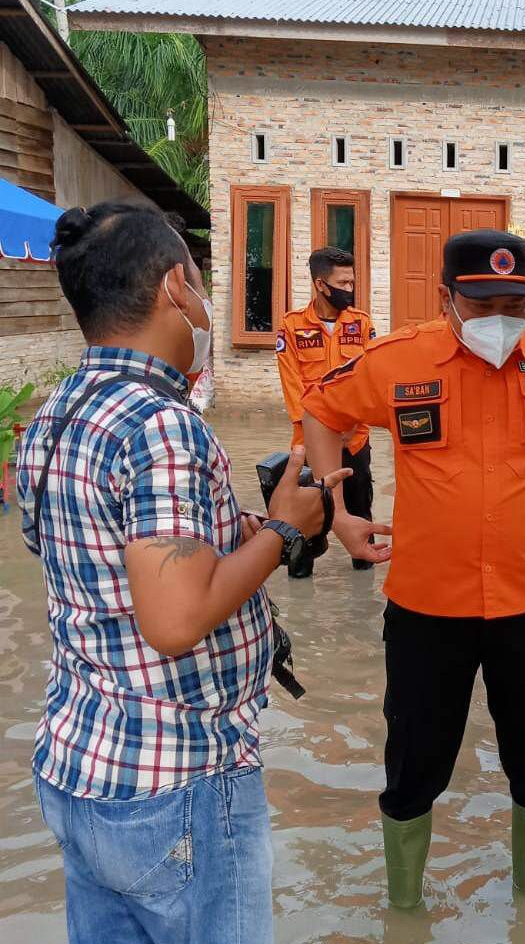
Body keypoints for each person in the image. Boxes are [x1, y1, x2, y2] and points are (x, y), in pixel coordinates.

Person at [16, 202, 369, 944]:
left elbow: (91, 556)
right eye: (203, 282)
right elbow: (175, 621)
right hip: (175, 782)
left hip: (80, 762)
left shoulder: (54, 413)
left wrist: (238, 529)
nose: (207, 302)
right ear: (176, 286)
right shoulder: (162, 422)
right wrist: (282, 528)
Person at [301, 230, 525, 907]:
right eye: (483, 303)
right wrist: (336, 508)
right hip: (426, 606)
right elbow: (320, 408)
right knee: (413, 765)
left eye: (516, 302)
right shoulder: (397, 360)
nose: (501, 318)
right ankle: (404, 910)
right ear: (446, 297)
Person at [276, 246, 377, 574]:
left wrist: (353, 422)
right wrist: (316, 427)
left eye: (352, 283)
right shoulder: (291, 326)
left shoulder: (361, 325)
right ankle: (301, 572)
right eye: (343, 283)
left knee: (361, 511)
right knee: (305, 517)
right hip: (308, 440)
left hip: (355, 438)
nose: (349, 289)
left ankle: (364, 573)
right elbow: (291, 385)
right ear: (321, 284)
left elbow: (370, 376)